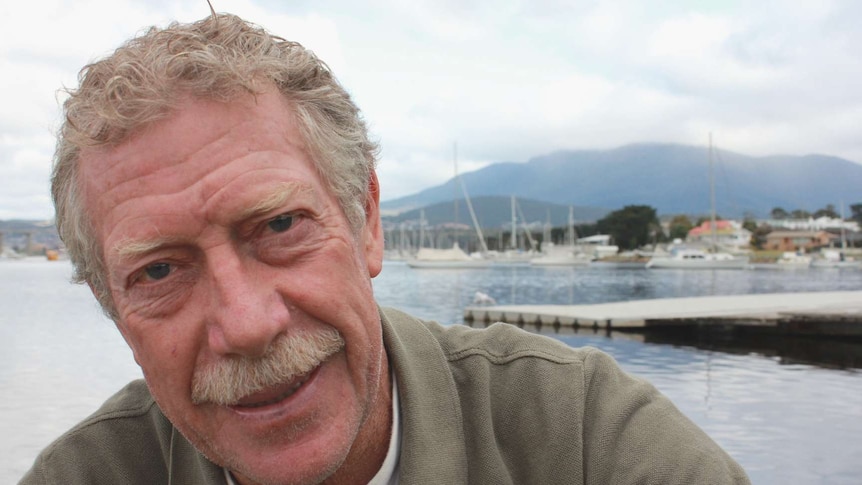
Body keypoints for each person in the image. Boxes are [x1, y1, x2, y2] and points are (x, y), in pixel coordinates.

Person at [21, 13, 750, 485]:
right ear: (114, 307)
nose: (246, 323)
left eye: (278, 227)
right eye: (158, 270)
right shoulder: (88, 476)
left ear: (367, 220)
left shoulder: (580, 437)